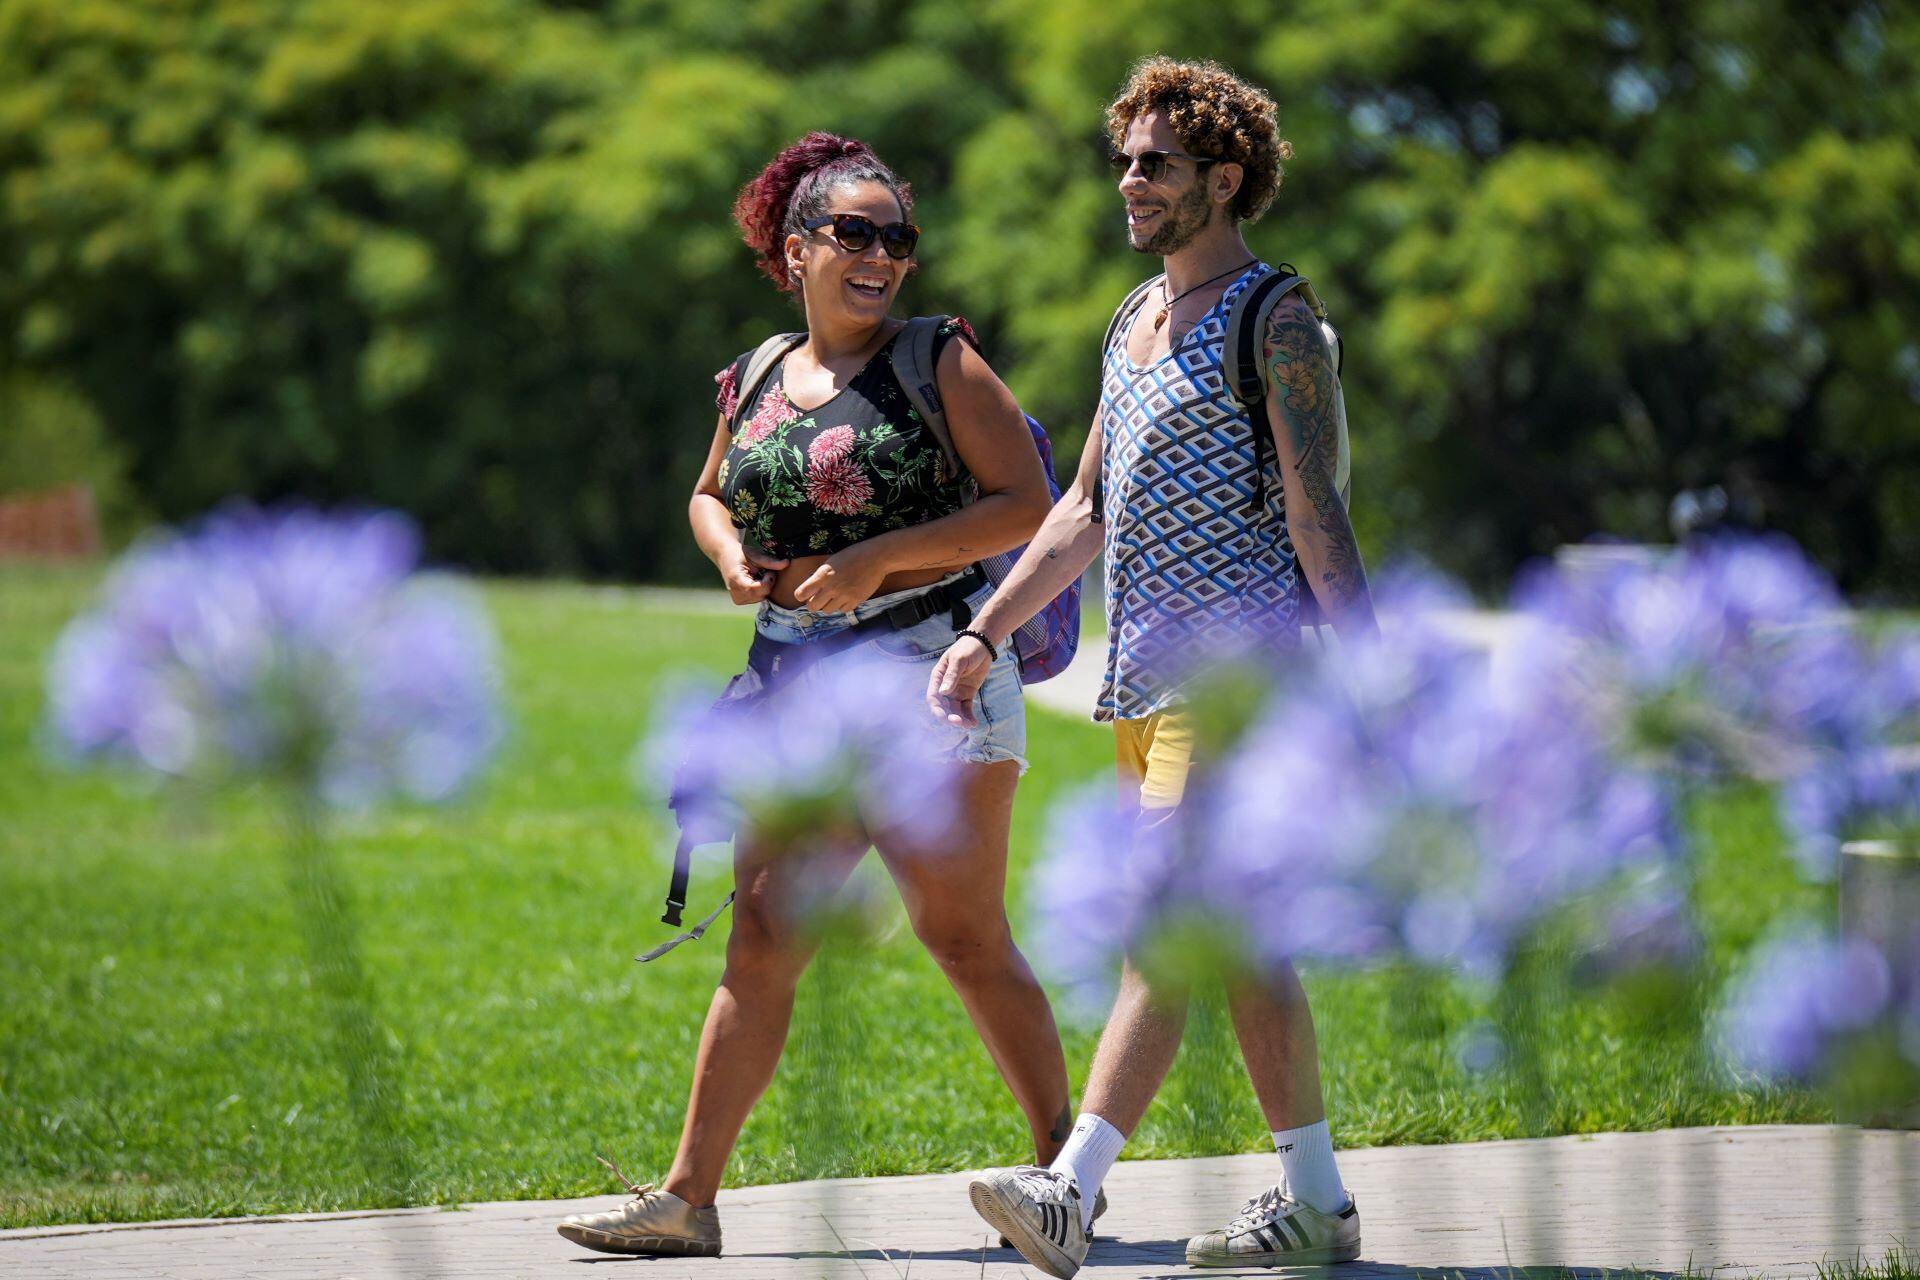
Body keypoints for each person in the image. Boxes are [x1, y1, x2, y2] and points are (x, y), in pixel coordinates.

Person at [558, 133, 1074, 1258]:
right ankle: (688, 1199)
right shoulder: (753, 373)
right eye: (856, 234)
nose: (882, 254)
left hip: (926, 684)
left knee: (962, 934)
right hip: (795, 687)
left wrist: (883, 557)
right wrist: (729, 551)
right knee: (763, 933)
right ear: (796, 249)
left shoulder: (939, 359)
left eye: (898, 238)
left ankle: (1062, 1174)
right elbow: (705, 492)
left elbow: (1029, 505)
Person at [930, 59, 1377, 1273]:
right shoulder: (1133, 318)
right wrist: (983, 630)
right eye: (1125, 157)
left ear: (1224, 180)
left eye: (1157, 163)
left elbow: (1314, 509)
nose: (1129, 179)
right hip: (1136, 685)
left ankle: (1071, 1190)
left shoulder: (1274, 318)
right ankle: (1320, 1207)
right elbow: (1082, 504)